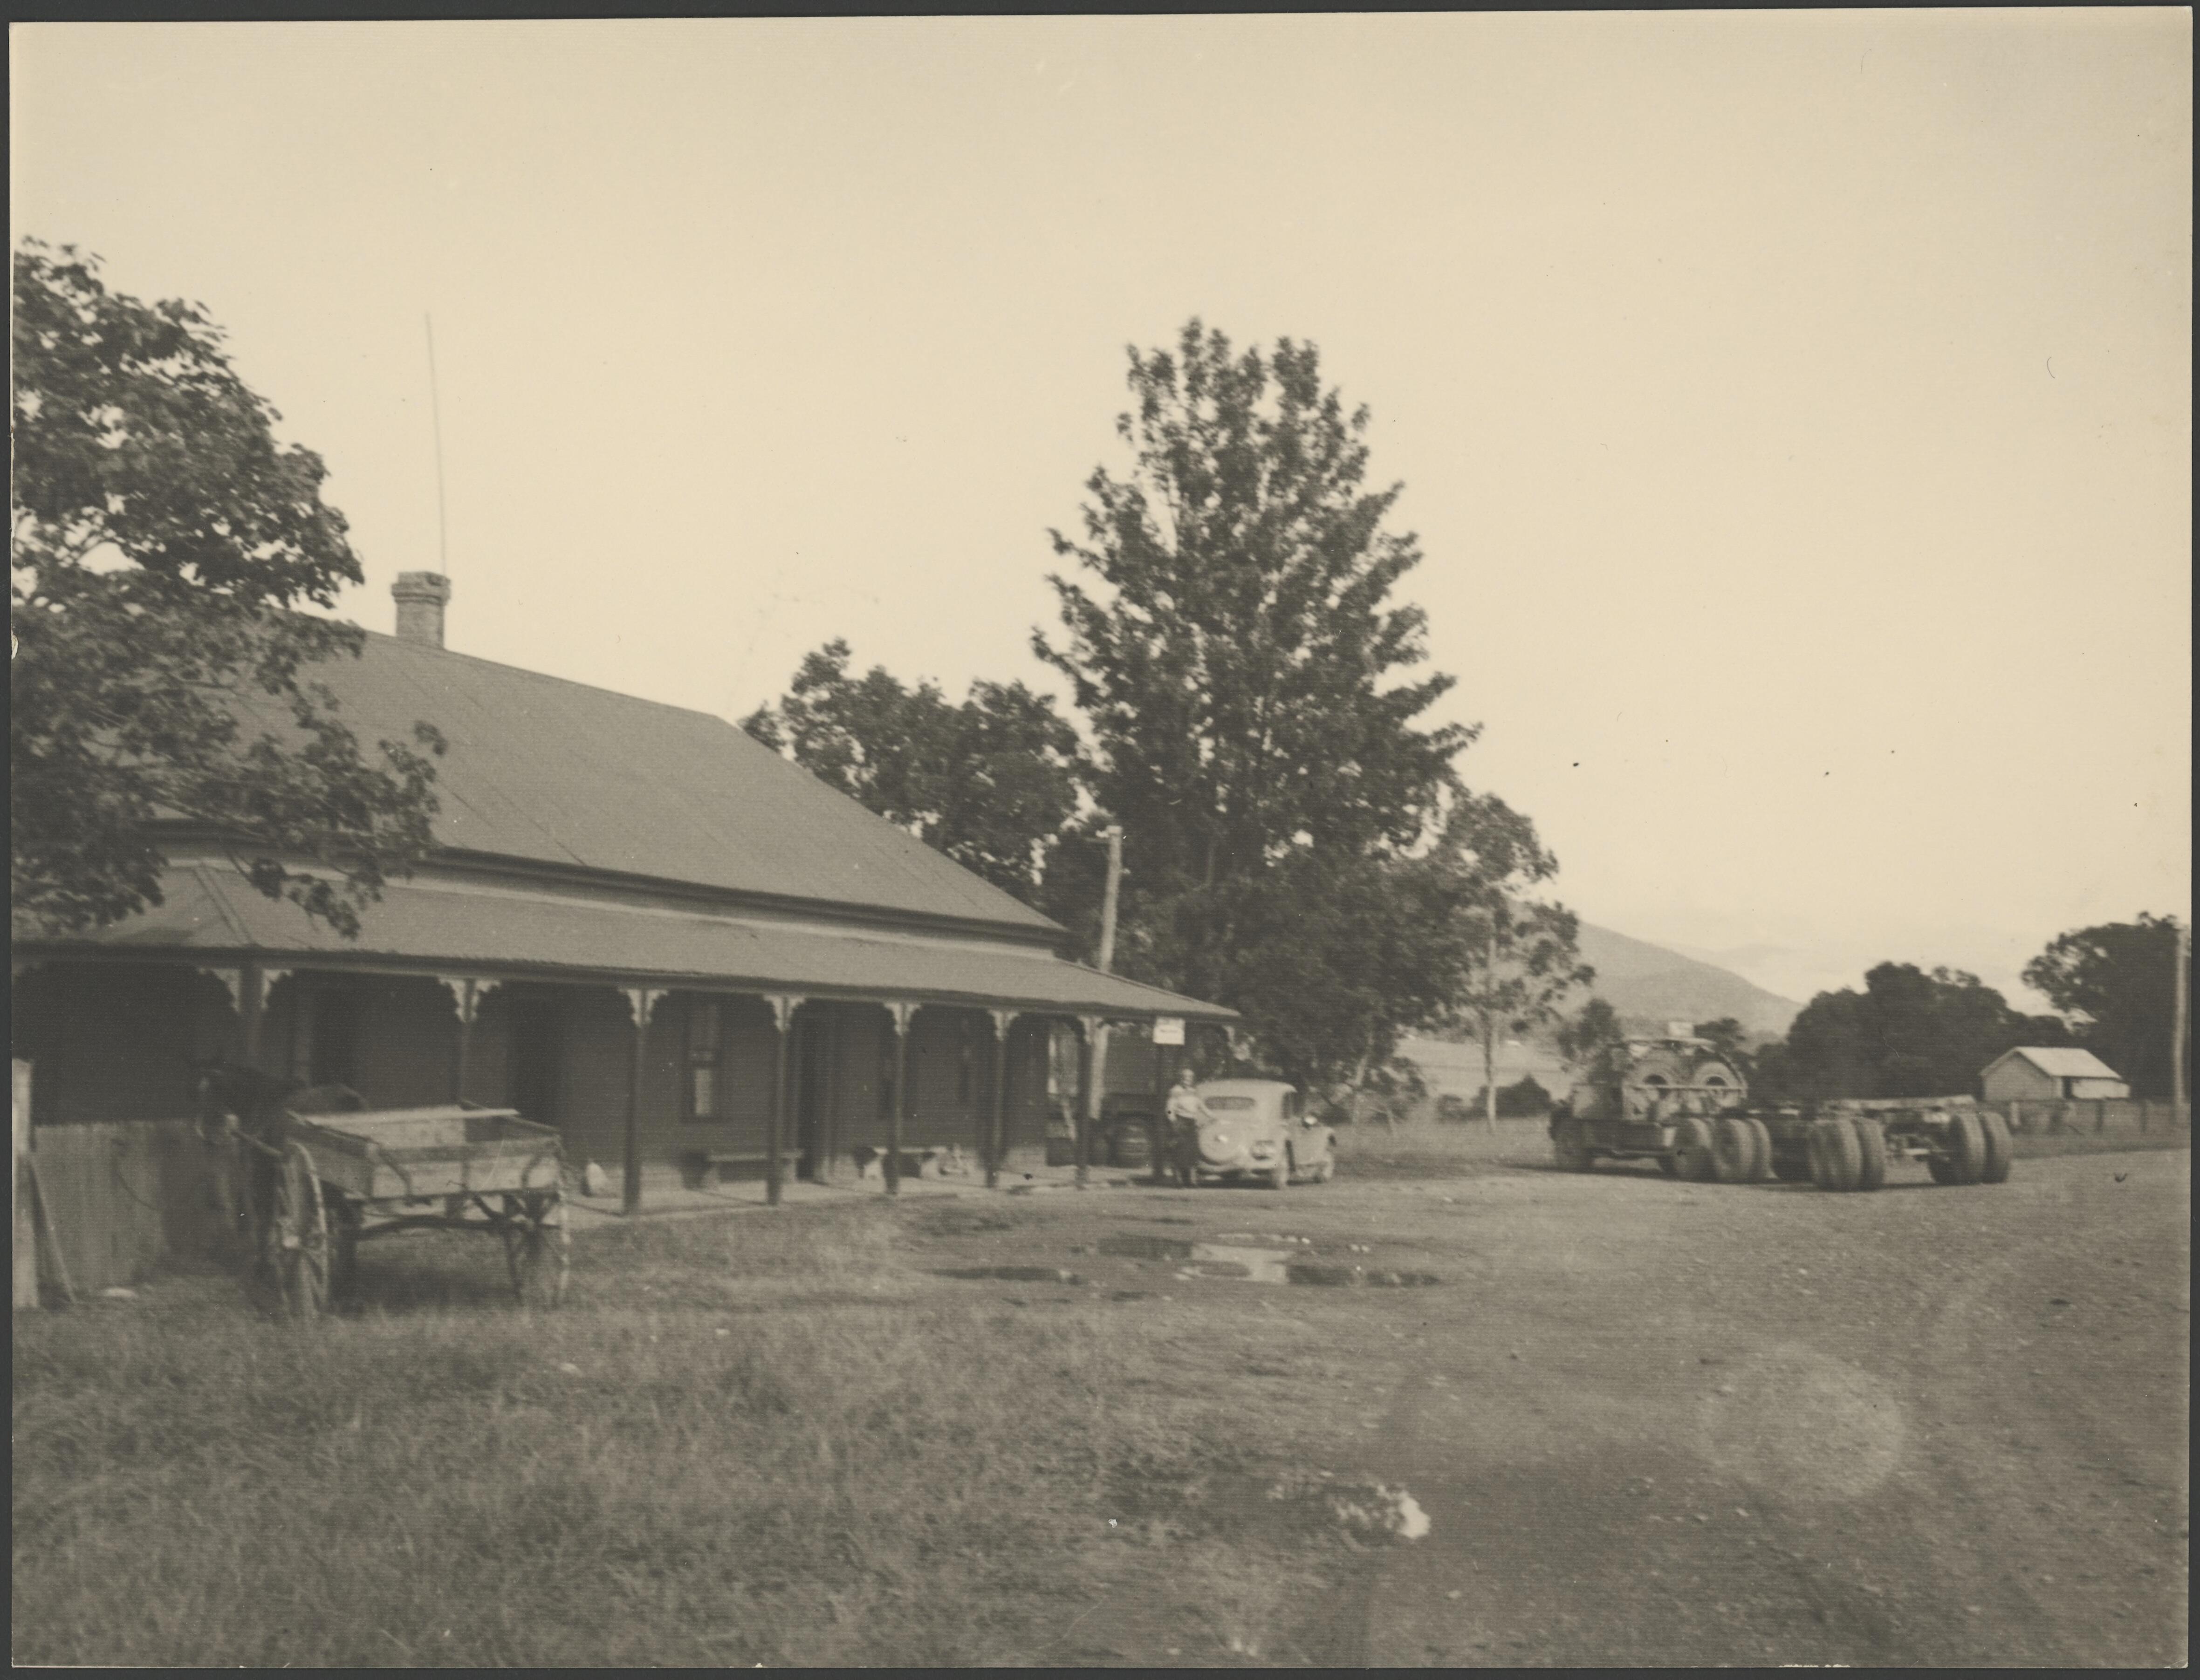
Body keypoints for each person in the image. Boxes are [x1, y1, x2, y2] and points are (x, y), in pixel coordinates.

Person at [1163, 1067, 1212, 1187]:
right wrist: (1173, 1121)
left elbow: (1201, 1106)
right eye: (1184, 1077)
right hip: (1181, 1122)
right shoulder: (1175, 1091)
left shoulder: (1193, 1091)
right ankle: (1178, 1181)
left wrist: (1212, 1116)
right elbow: (1169, 1109)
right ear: (1180, 1078)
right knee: (1180, 1152)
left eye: (1190, 1077)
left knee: (1192, 1153)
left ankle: (1192, 1181)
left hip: (1192, 1123)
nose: (1187, 1080)